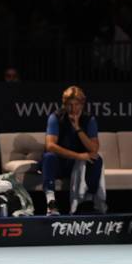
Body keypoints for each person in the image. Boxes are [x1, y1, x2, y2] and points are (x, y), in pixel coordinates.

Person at [42, 86, 106, 215]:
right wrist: (78, 155)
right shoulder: (55, 117)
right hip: (60, 163)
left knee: (96, 159)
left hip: (77, 165)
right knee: (49, 156)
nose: (73, 109)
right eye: (69, 105)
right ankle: (51, 201)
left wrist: (77, 128)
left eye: (76, 104)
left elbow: (93, 148)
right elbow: (50, 146)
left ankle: (88, 200)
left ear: (82, 104)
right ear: (64, 105)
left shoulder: (89, 120)